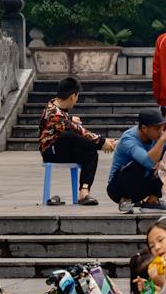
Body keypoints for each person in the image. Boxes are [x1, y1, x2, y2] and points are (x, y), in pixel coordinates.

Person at [39, 76, 115, 206]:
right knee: (69, 135)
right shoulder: (53, 113)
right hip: (51, 152)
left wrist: (70, 117)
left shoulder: (58, 108)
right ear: (73, 96)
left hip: (65, 150)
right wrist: (102, 142)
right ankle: (103, 144)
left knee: (90, 151)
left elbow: (70, 125)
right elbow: (77, 131)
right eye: (77, 96)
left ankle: (84, 192)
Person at [109, 107, 166, 213]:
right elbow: (148, 162)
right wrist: (162, 141)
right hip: (118, 189)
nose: (161, 132)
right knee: (137, 164)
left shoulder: (158, 135)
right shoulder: (129, 139)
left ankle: (152, 201)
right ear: (144, 128)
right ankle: (125, 200)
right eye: (157, 128)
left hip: (142, 186)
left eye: (162, 128)